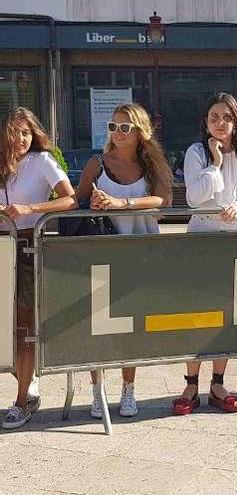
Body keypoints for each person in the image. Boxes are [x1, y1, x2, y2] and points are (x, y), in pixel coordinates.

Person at [173, 92, 237, 415]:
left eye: (226, 117)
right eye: (214, 117)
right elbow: (195, 198)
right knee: (196, 311)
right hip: (201, 238)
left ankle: (218, 382)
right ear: (206, 121)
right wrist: (215, 164)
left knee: (225, 313)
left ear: (235, 120)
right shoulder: (196, 153)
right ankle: (190, 383)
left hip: (235, 240)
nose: (220, 123)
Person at [75, 102, 172, 419]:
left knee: (130, 326)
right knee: (96, 325)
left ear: (140, 132)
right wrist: (96, 202)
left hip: (139, 252)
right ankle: (97, 390)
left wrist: (121, 202)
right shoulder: (97, 163)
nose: (117, 133)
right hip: (100, 252)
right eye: (113, 126)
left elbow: (163, 201)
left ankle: (128, 389)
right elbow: (77, 202)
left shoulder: (152, 165)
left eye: (125, 127)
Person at [0, 107, 76, 429]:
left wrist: (31, 208)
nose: (20, 139)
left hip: (28, 246)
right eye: (14, 132)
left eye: (26, 133)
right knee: (7, 326)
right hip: (2, 246)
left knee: (24, 326)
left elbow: (70, 199)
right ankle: (26, 381)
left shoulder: (42, 161)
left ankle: (23, 398)